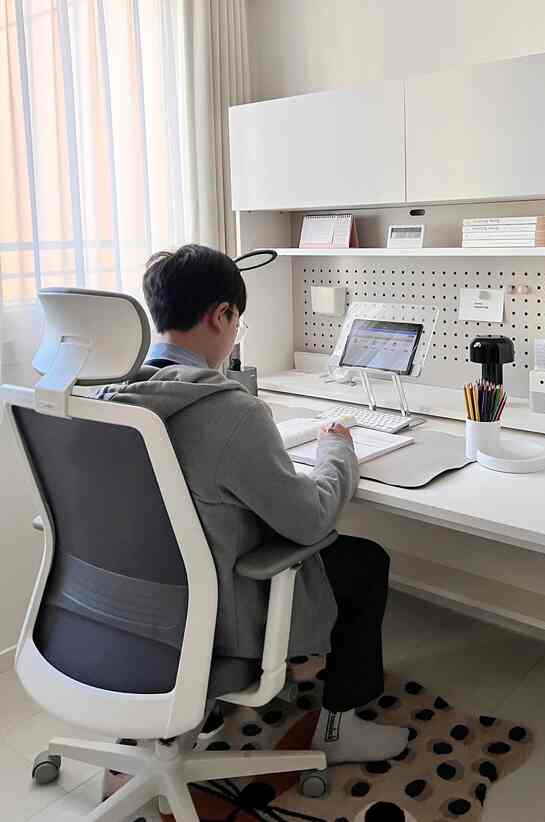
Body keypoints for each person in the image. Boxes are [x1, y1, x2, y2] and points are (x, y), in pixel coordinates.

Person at [98, 244, 408, 765]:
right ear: (221, 314)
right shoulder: (231, 413)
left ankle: (197, 712)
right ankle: (340, 727)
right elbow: (309, 521)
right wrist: (337, 452)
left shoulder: (110, 398)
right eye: (237, 319)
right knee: (365, 561)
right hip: (221, 615)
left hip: (135, 608)